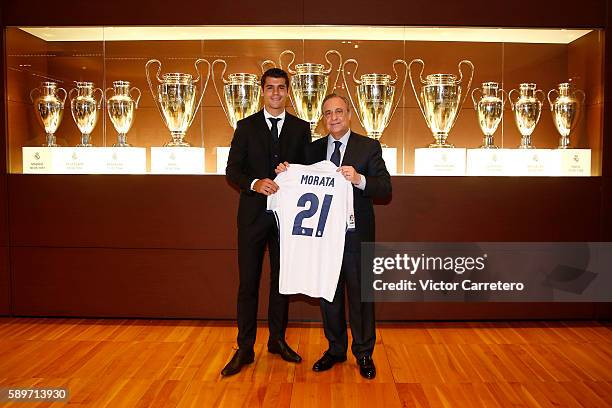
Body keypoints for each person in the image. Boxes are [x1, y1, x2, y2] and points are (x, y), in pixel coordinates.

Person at [276, 93, 391, 379]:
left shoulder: (368, 147)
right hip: (322, 238)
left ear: (349, 114)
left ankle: (364, 353)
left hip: (355, 236)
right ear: (323, 118)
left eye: (339, 111)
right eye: (328, 113)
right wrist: (286, 172)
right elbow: (301, 180)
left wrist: (359, 179)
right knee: (329, 293)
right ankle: (336, 349)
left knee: (360, 297)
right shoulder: (313, 150)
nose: (334, 117)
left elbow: (385, 188)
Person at [223, 68, 311, 376]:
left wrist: (295, 170)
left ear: (288, 92)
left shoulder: (302, 128)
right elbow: (232, 170)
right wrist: (255, 183)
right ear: (262, 91)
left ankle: (277, 340)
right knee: (248, 284)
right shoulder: (245, 127)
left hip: (286, 218)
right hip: (251, 218)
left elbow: (308, 171)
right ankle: (245, 349)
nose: (275, 93)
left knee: (280, 283)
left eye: (281, 88)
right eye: (270, 87)